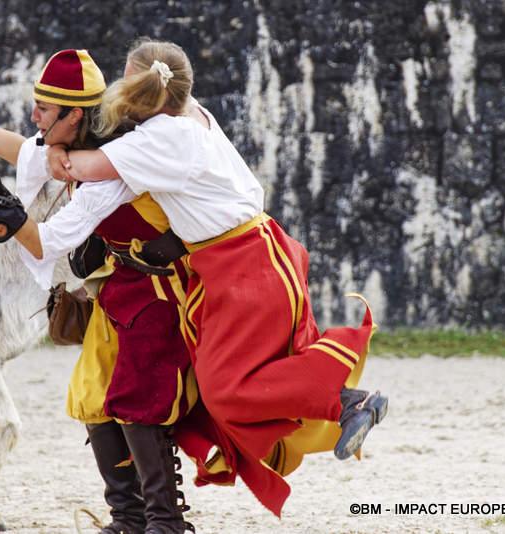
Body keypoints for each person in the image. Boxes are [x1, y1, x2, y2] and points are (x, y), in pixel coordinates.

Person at [39, 38, 389, 517]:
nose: (120, 91)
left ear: (153, 92)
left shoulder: (161, 136)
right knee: (223, 388)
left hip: (247, 261)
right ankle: (345, 402)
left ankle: (348, 400)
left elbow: (80, 167)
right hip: (233, 261)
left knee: (227, 390)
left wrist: (55, 148)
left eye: (129, 82)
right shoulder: (189, 114)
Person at [0, 49, 196, 534]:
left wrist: (8, 209)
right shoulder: (78, 141)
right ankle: (128, 519)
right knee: (90, 394)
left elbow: (47, 241)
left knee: (136, 398)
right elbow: (26, 149)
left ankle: (165, 524)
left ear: (74, 115)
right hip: (122, 288)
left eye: (43, 109)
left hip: (160, 291)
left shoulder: (114, 164)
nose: (34, 116)